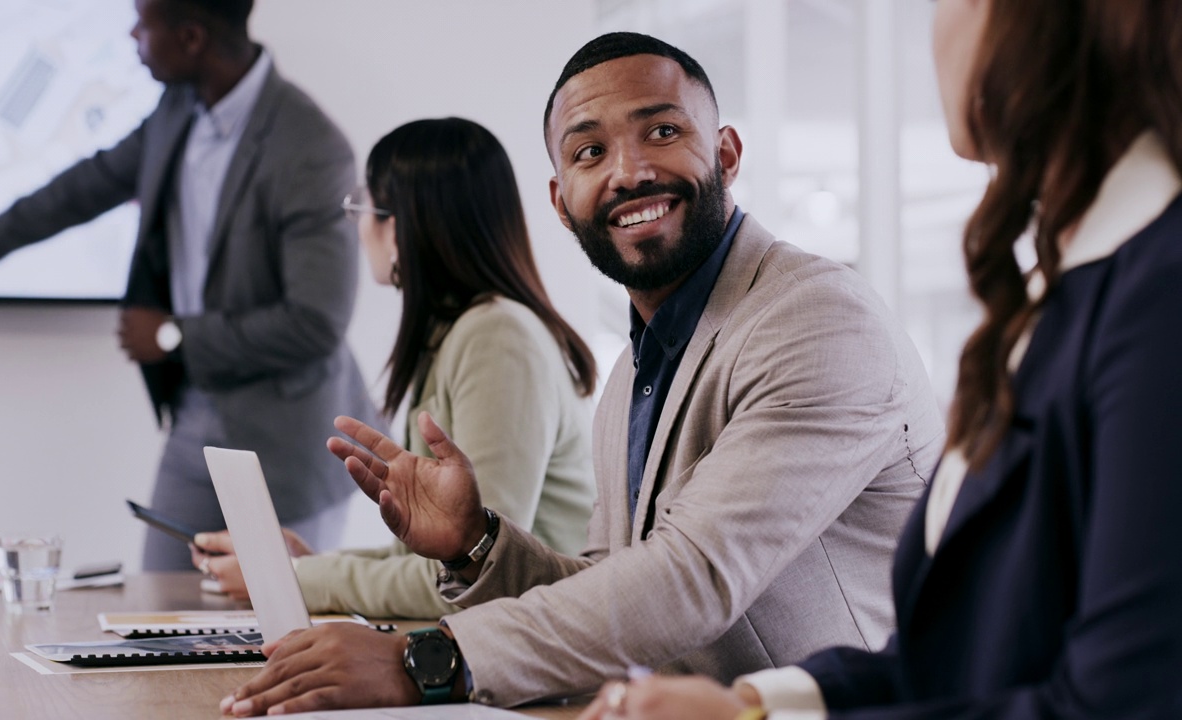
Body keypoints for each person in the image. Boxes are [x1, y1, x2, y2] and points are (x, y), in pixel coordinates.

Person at [215, 32, 945, 717]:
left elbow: (691, 579)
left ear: (725, 153)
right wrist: (477, 543)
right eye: (590, 151)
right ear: (562, 202)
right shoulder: (635, 370)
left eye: (662, 131)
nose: (629, 172)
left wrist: (422, 661)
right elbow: (610, 592)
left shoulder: (815, 318)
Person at [575, 0, 1182, 718]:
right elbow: (957, 659)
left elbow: (1122, 703)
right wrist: (753, 706)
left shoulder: (1158, 293)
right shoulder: (1075, 287)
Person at [0, 0, 377, 571]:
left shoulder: (309, 146)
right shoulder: (178, 108)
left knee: (285, 629)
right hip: (197, 415)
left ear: (192, 36)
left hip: (290, 436)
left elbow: (316, 322)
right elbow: (87, 185)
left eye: (143, 23)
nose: (131, 34)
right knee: (162, 600)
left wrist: (176, 335)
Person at [189, 117, 598, 619]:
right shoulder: (465, 333)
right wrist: (305, 565)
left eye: (364, 206)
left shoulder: (497, 338)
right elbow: (436, 555)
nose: (357, 226)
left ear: (402, 224)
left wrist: (295, 580)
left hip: (541, 656)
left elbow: (475, 570)